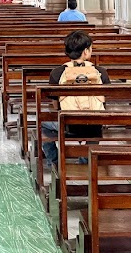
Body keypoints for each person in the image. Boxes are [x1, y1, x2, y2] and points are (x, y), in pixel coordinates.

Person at [41, 31, 110, 168]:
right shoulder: (100, 72)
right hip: (95, 124)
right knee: (96, 126)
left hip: (68, 125)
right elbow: (104, 98)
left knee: (42, 123)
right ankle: (85, 160)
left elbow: (55, 103)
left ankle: (53, 162)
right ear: (85, 51)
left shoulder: (57, 73)